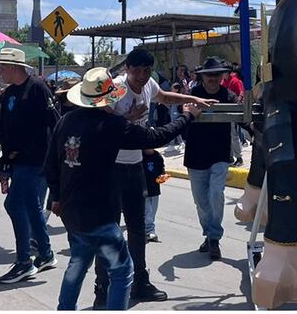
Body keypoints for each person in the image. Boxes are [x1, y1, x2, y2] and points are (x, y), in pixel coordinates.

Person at [48, 68, 200, 310]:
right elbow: (156, 137)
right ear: (108, 99)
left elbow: (51, 164)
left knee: (78, 263)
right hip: (99, 214)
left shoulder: (66, 121)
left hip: (71, 210)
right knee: (121, 270)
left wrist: (56, 197)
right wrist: (187, 116)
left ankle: (65, 308)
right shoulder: (111, 125)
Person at [93, 48, 219, 305]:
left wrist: (193, 98)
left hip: (135, 165)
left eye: (146, 70)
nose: (141, 76)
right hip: (111, 168)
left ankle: (140, 282)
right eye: (136, 70)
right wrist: (125, 118)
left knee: (138, 228)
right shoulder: (117, 89)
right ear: (127, 69)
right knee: (109, 230)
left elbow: (163, 96)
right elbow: (99, 120)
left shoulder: (148, 84)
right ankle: (102, 288)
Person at [0, 47, 61, 284]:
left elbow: (53, 123)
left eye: (2, 67)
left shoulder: (37, 88)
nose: (0, 71)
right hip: (16, 160)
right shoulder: (10, 92)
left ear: (13, 67)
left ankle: (24, 262)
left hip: (35, 159)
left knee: (14, 204)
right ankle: (46, 253)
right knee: (31, 206)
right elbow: (4, 125)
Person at [184, 57, 238, 260]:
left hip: (220, 154)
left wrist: (256, 129)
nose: (213, 78)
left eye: (217, 75)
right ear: (202, 77)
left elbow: (242, 117)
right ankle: (208, 233)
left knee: (216, 193)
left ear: (222, 76)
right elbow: (183, 114)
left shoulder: (229, 96)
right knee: (200, 201)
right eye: (209, 75)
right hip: (196, 154)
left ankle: (214, 238)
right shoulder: (193, 94)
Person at [143, 149, 165, 243]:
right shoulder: (140, 157)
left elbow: (162, 169)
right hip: (144, 190)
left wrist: (163, 176)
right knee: (147, 211)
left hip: (155, 189)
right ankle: (150, 231)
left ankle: (147, 229)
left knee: (153, 211)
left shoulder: (157, 156)